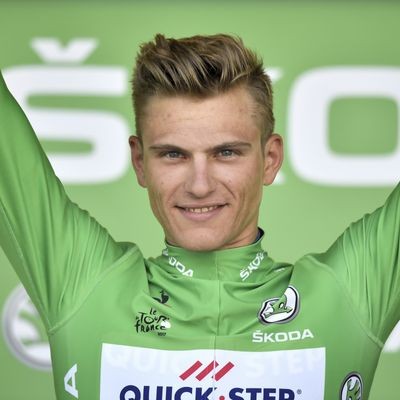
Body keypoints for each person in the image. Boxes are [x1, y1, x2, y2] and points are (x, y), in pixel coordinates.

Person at [0, 33, 399, 400]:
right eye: (173, 154)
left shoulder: (349, 295)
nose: (200, 185)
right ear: (140, 162)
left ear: (270, 159)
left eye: (226, 153)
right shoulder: (84, 284)